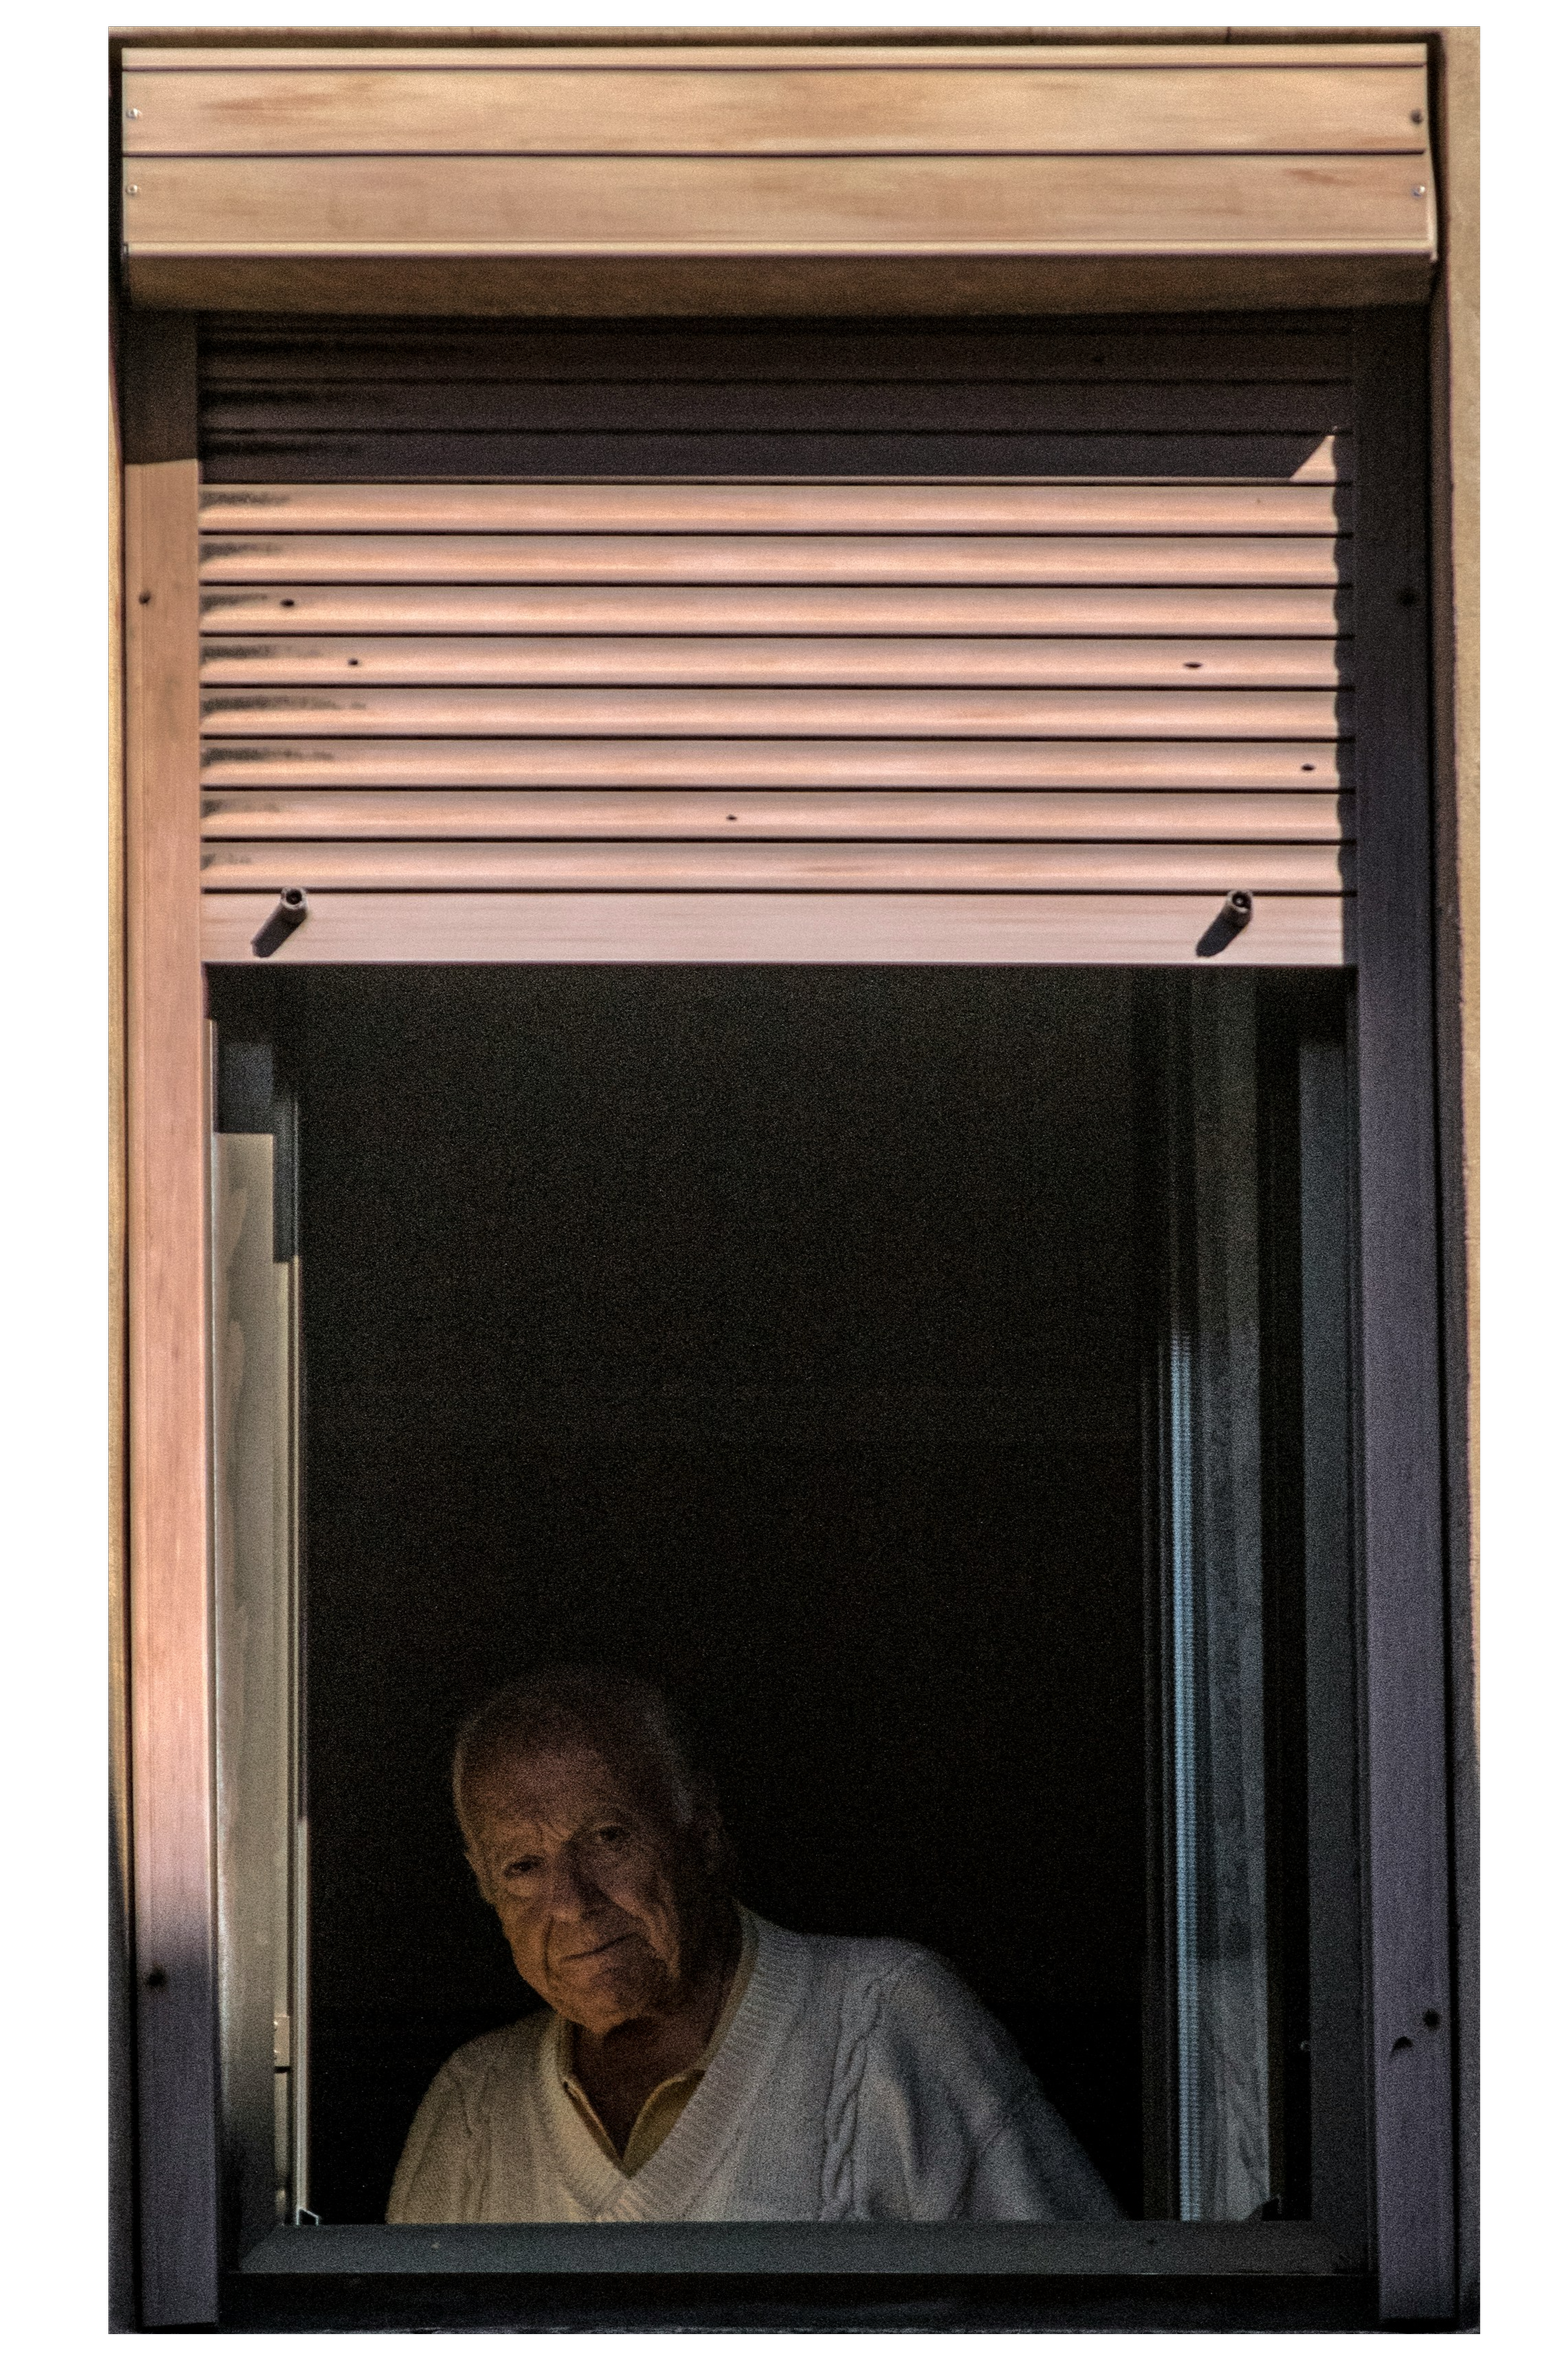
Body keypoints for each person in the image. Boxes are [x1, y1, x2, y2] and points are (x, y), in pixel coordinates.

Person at [388, 1666, 1118, 2224]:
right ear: (483, 1885)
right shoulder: (473, 2102)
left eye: (607, 1839)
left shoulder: (890, 2018)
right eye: (523, 1866)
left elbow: (1088, 2319)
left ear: (701, 1831)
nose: (572, 1903)